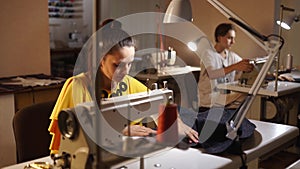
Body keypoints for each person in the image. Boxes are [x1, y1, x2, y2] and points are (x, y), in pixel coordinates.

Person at [49, 20, 198, 154]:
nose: (125, 71)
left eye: (129, 63)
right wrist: (123, 131)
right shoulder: (77, 86)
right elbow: (73, 136)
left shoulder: (128, 83)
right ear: (100, 60)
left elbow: (161, 103)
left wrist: (176, 122)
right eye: (118, 65)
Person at [198, 23, 254, 112]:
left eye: (233, 38)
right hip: (209, 99)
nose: (233, 42)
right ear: (219, 38)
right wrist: (235, 66)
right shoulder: (208, 53)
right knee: (244, 94)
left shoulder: (232, 56)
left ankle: (230, 116)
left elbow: (245, 64)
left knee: (248, 94)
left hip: (223, 98)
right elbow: (212, 74)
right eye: (230, 38)